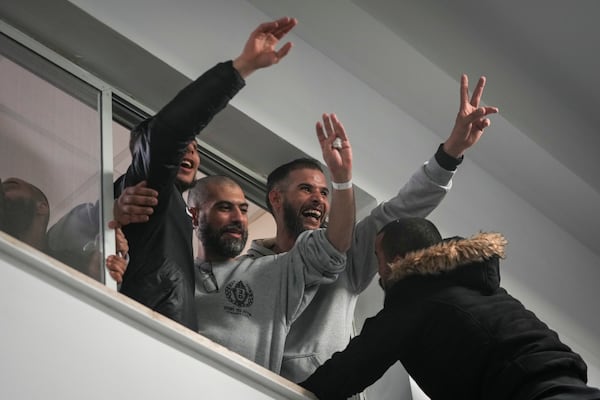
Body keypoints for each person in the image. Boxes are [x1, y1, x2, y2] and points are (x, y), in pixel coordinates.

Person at [247, 74, 499, 382]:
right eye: (306, 189)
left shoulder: (347, 256)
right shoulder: (248, 269)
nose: (318, 199)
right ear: (276, 197)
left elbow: (402, 209)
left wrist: (450, 154)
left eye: (324, 192)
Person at [112, 17, 298, 331]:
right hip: (149, 336)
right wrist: (241, 67)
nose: (191, 154)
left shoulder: (173, 213)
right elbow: (168, 134)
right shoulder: (150, 189)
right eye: (183, 147)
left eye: (196, 149)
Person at [300, 217, 600, 400]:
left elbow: (351, 368)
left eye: (378, 256)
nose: (378, 269)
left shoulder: (413, 300)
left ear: (397, 259)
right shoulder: (479, 287)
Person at [185, 113, 355, 373]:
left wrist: (342, 181)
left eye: (243, 209)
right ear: (196, 214)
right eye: (224, 208)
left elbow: (333, 245)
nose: (238, 218)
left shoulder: (273, 271)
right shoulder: (179, 272)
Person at [0, 177, 128, 282]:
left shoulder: (67, 253)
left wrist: (110, 261)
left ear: (42, 207)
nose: (2, 195)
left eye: (9, 187)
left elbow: (99, 215)